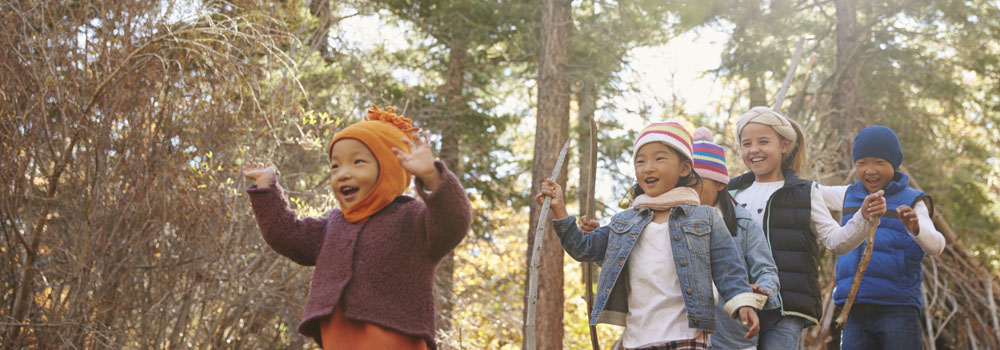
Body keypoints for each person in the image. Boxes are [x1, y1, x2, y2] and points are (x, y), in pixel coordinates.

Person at [241, 105, 472, 350]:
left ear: (390, 169)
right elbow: (287, 234)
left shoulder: (412, 219)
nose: (343, 174)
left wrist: (432, 177)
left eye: (358, 162)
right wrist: (266, 187)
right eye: (335, 166)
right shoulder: (333, 226)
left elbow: (454, 222)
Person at [536, 121, 766, 350]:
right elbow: (583, 249)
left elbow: (728, 267)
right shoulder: (623, 222)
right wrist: (560, 208)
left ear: (684, 168)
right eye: (641, 160)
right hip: (637, 339)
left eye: (659, 158)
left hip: (687, 337)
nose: (648, 167)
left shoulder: (704, 217)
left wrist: (742, 303)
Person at [727, 107, 884, 348]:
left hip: (785, 306)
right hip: (737, 301)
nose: (754, 149)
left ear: (784, 145)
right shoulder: (729, 193)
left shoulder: (804, 193)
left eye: (763, 141)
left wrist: (862, 217)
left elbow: (836, 241)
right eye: (746, 143)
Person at [831, 125, 945, 349]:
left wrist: (915, 227)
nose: (870, 170)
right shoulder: (848, 195)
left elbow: (937, 246)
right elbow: (811, 193)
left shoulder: (912, 200)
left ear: (894, 163)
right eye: (861, 163)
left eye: (879, 162)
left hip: (897, 306)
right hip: (854, 307)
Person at [689, 127, 780, 350]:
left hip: (733, 338)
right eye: (684, 184)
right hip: (686, 337)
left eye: (697, 185)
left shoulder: (742, 223)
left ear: (720, 184)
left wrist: (761, 290)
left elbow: (767, 270)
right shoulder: (671, 220)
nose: (689, 192)